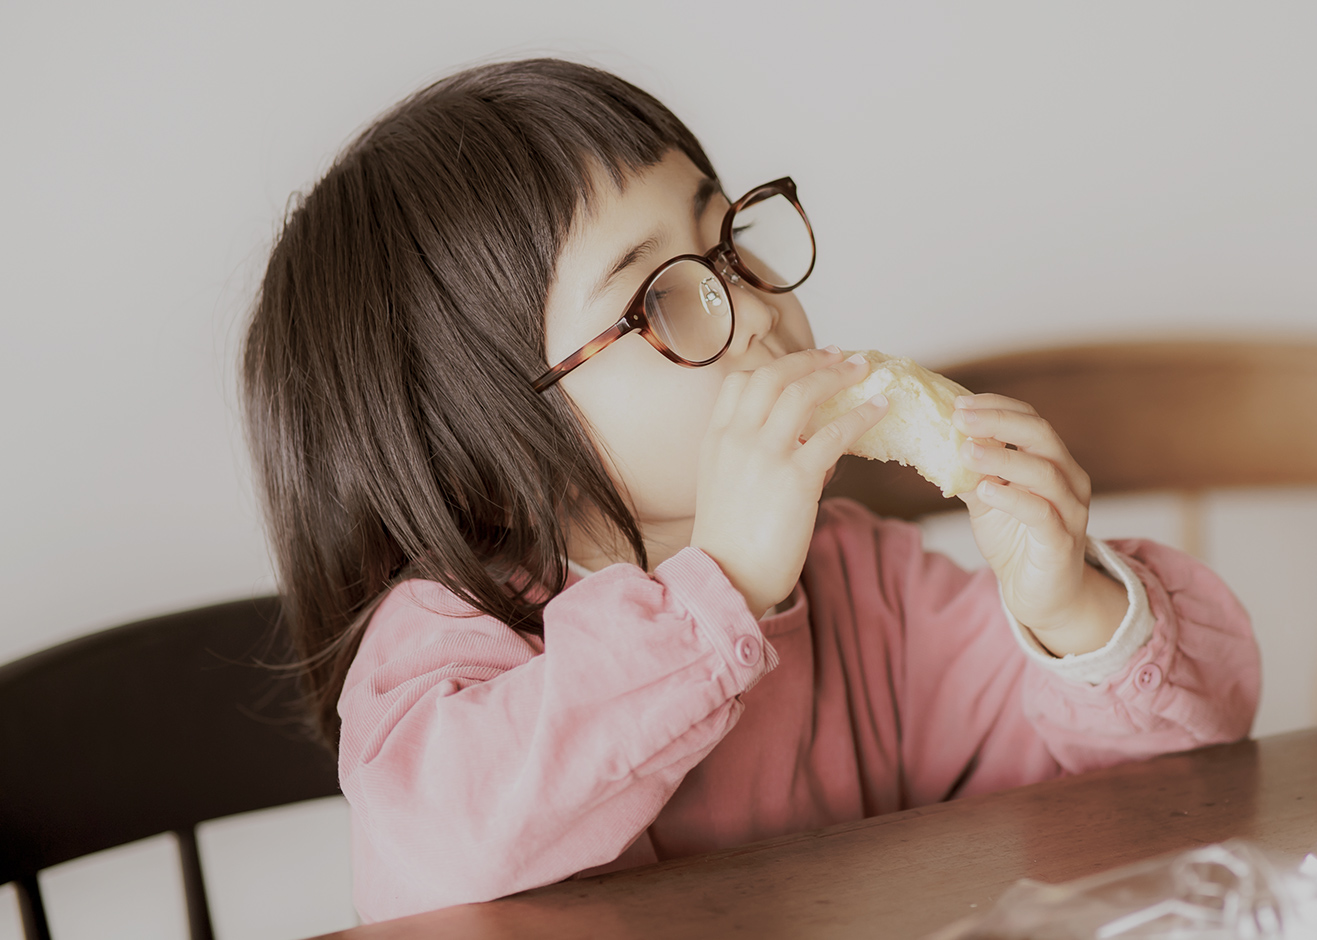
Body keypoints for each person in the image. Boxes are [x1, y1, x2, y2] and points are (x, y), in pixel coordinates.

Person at [241, 57, 1259, 923]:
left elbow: (1174, 778)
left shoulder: (860, 583)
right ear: (472, 437)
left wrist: (1074, 608)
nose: (755, 305)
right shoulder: (447, 644)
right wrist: (716, 590)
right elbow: (445, 849)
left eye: (727, 239)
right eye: (657, 298)